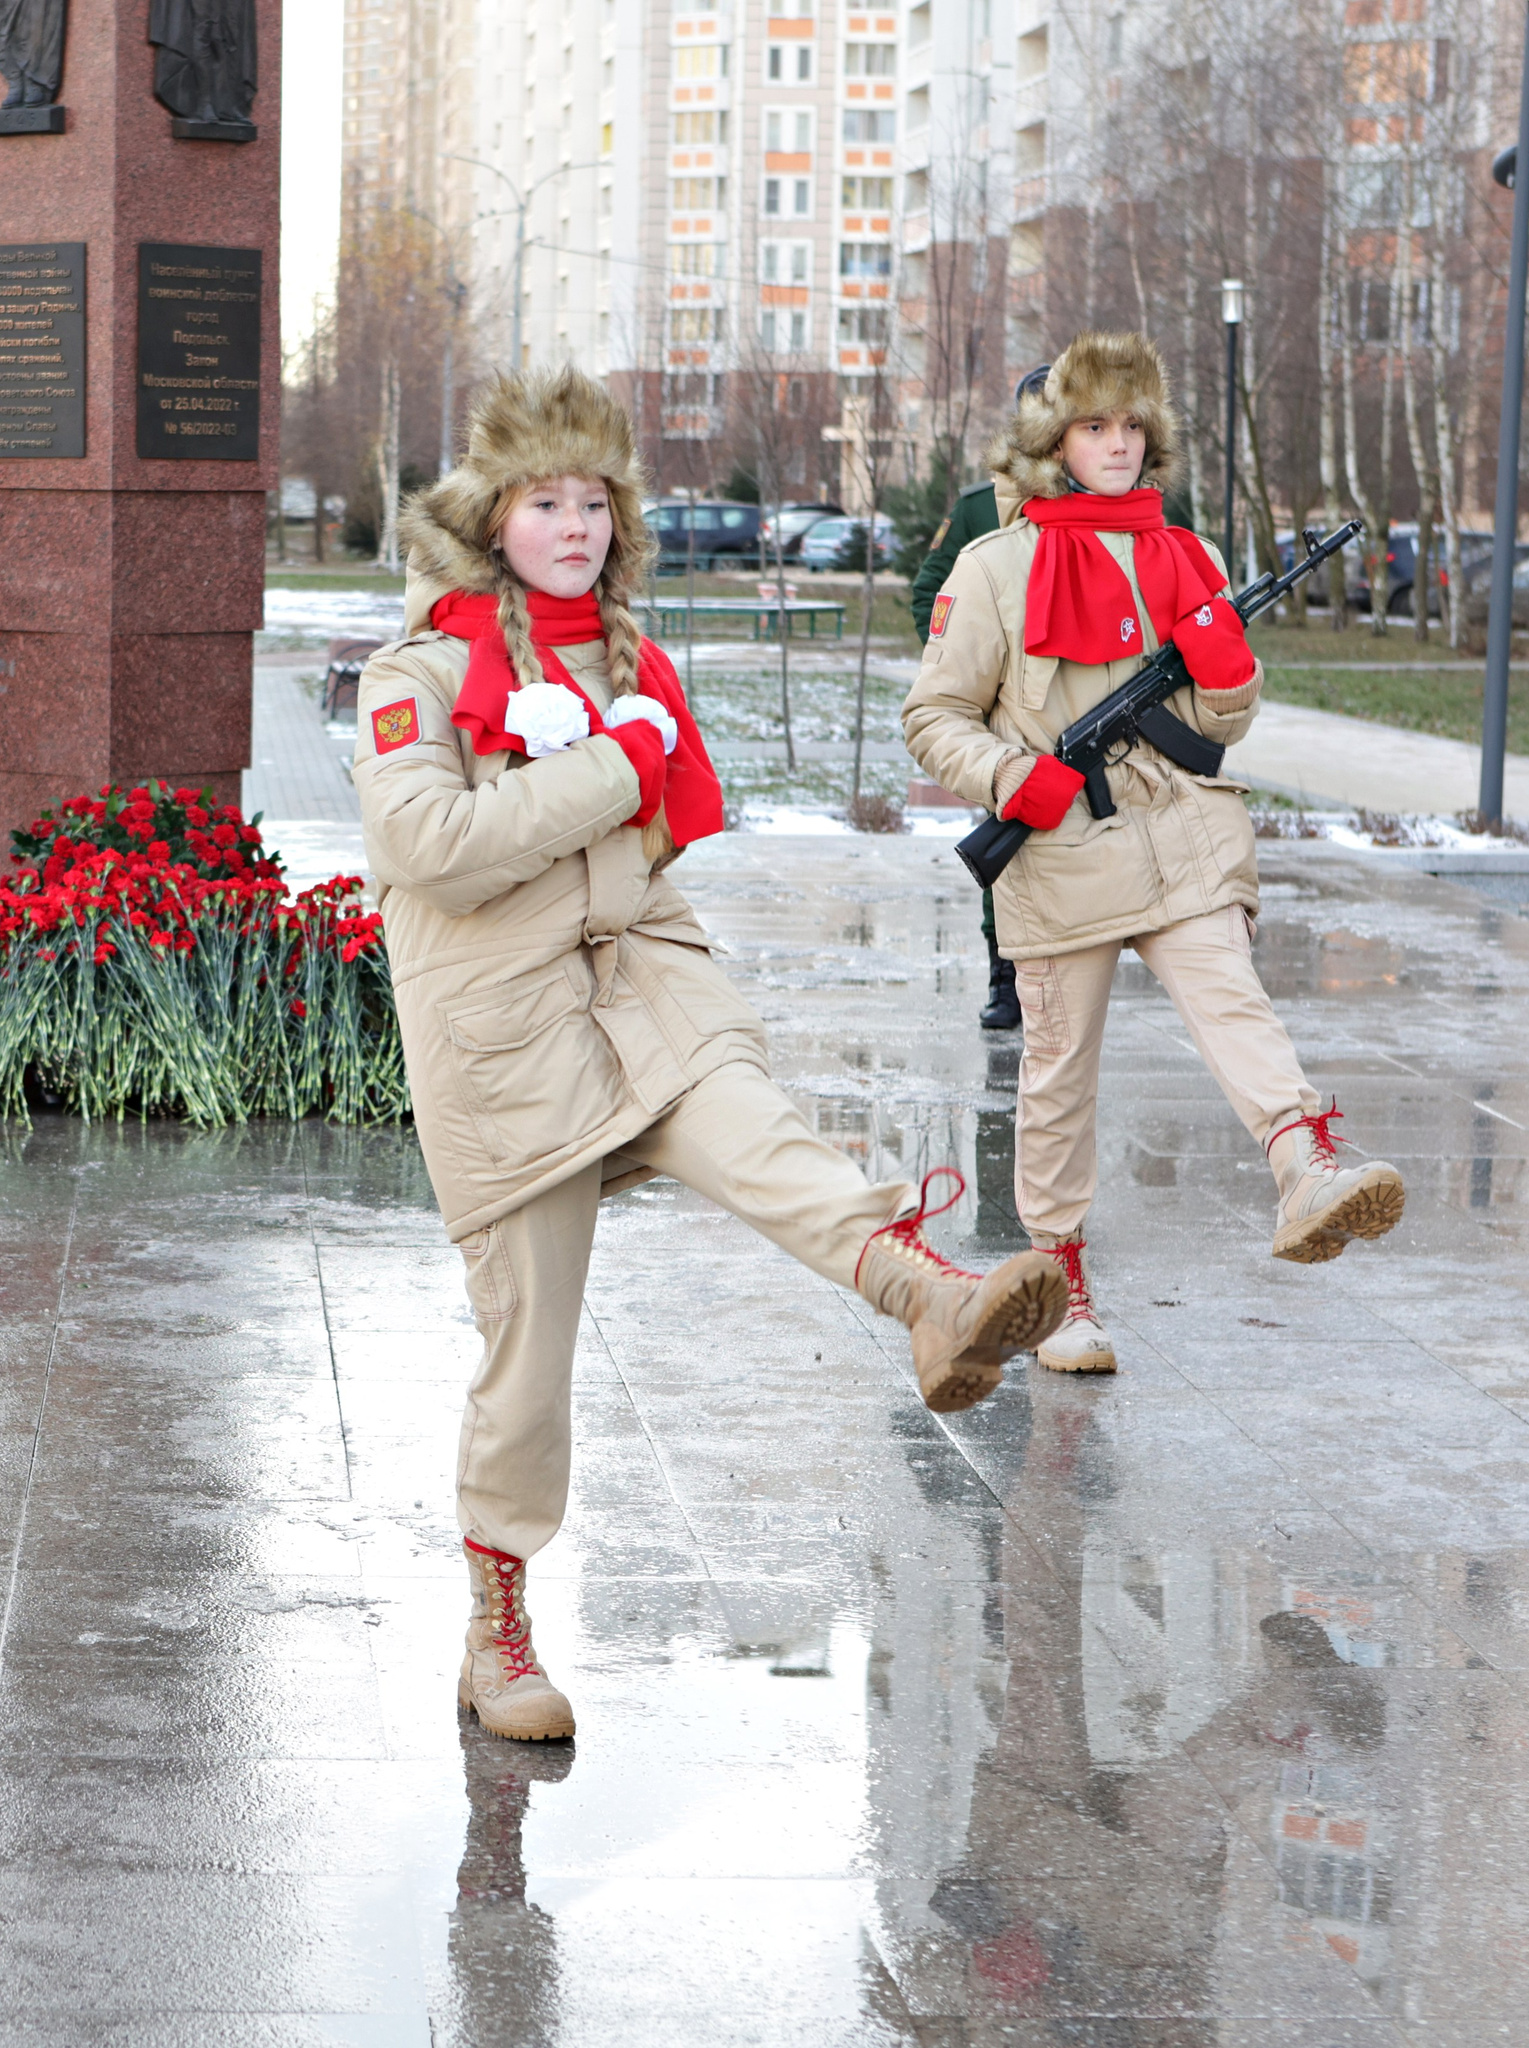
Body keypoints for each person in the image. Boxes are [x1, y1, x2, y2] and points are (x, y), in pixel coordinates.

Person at [354, 368, 1068, 1744]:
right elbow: (425, 851)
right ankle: (497, 1624)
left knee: (764, 1134)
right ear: (491, 516)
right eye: (544, 501)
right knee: (530, 1352)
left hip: (645, 982)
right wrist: (615, 765)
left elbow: (658, 832)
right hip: (502, 1036)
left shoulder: (627, 663)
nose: (575, 526)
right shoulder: (422, 671)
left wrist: (623, 788)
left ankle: (929, 1298)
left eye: (595, 502)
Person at [902, 332, 1405, 1379]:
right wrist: (1010, 777)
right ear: (1055, 442)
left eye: (1132, 425)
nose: (1117, 444)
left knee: (1229, 991)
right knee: (1058, 1076)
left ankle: (1303, 1160)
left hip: (1180, 826)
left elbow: (1222, 717)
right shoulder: (995, 567)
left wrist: (1229, 670)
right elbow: (933, 715)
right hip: (1060, 843)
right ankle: (1059, 1283)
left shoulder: (1188, 553)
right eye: (1094, 426)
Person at [911, 362, 1052, 1035]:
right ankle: (1006, 977)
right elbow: (928, 592)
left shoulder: (1109, 504)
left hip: (1076, 700)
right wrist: (963, 667)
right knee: (1010, 838)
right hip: (1004, 714)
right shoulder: (978, 507)